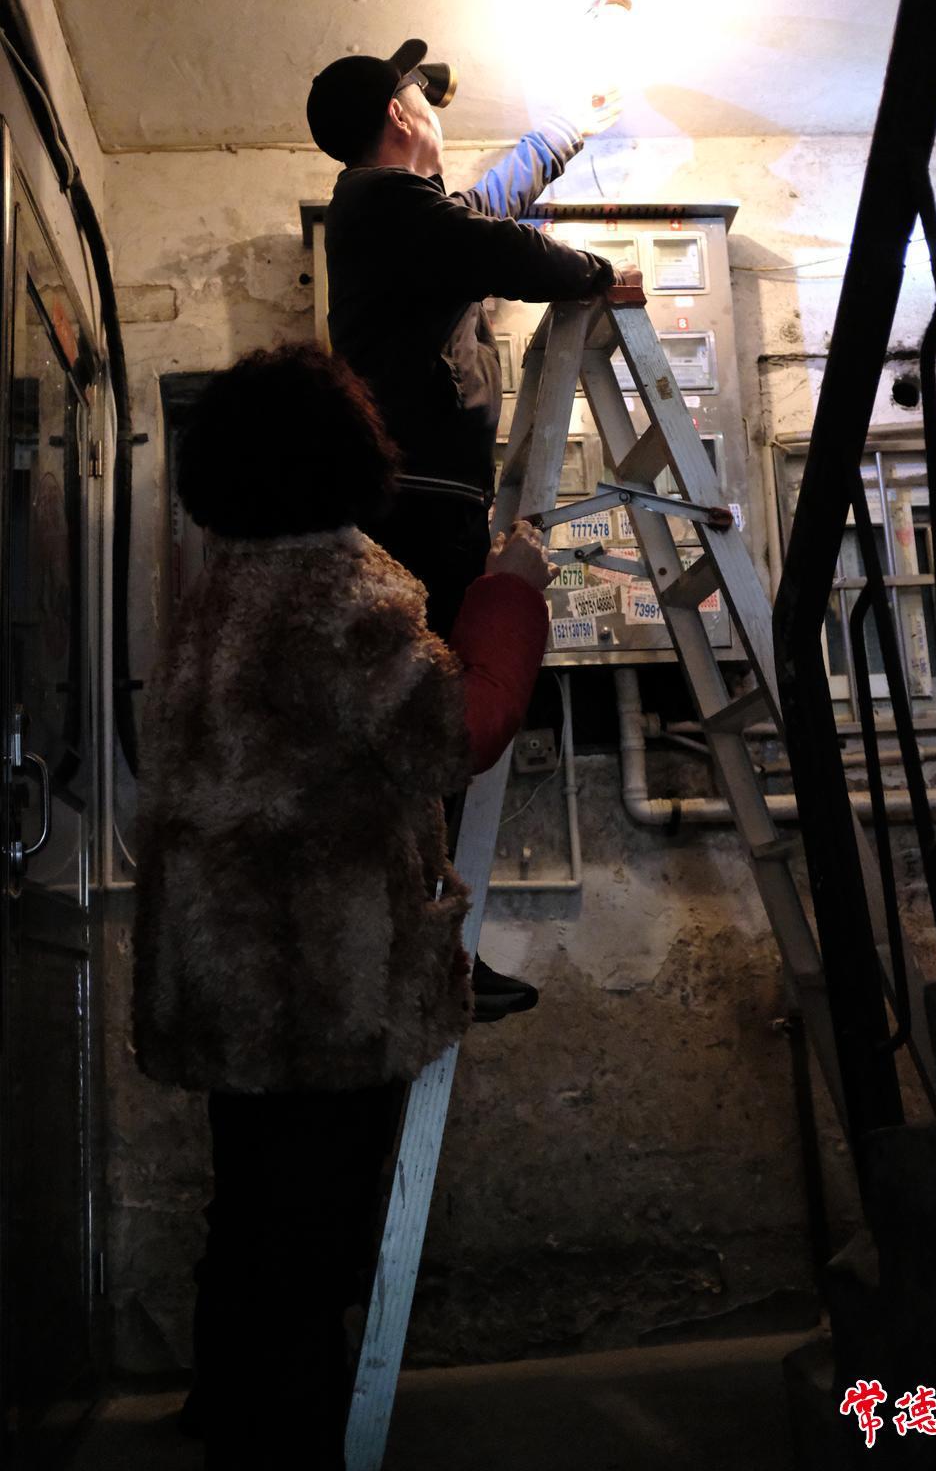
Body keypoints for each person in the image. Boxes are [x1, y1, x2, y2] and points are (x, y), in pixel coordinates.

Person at [131, 343, 556, 1470]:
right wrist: (512, 590)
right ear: (345, 457)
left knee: (248, 1216)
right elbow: (454, 732)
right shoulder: (338, 591)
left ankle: (225, 1417)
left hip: (228, 977)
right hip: (320, 981)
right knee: (311, 1256)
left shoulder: (216, 590)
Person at [306, 38, 625, 1017]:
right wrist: (596, 271)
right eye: (425, 99)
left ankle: (425, 949)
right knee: (431, 735)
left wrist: (565, 132)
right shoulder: (383, 204)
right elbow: (504, 249)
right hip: (417, 504)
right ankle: (421, 958)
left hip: (425, 499)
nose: (435, 112)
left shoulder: (398, 220)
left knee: (425, 735)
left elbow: (484, 215)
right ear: (402, 116)